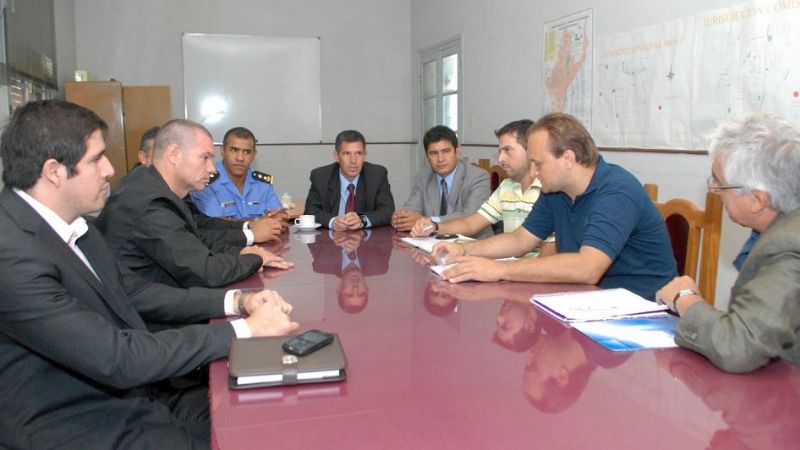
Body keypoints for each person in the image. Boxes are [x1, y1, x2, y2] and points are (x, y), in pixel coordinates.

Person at [0, 100, 299, 449]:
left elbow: (137, 293)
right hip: (78, 420)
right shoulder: (12, 254)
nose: (110, 169)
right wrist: (246, 330)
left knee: (266, 414)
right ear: (54, 171)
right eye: (97, 159)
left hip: (134, 392)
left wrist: (238, 300)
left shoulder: (78, 227)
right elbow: (116, 358)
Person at [434, 113, 676, 300]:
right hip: (590, 302)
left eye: (538, 164)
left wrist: (499, 269)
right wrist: (464, 251)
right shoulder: (556, 191)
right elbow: (519, 240)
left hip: (642, 310)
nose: (533, 172)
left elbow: (587, 267)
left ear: (568, 159)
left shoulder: (616, 191)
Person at [656, 113, 800, 373]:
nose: (713, 189)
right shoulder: (782, 221)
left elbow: (739, 346)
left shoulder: (789, 245)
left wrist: (685, 299)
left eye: (719, 183)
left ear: (757, 200)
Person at [96, 119, 293, 288]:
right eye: (204, 158)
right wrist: (255, 258)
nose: (210, 168)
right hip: (146, 315)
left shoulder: (156, 186)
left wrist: (242, 249)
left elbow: (195, 236)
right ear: (174, 155)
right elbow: (205, 272)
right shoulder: (150, 201)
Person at [409, 120, 555, 254]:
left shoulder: (550, 191)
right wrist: (434, 227)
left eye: (508, 150)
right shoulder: (507, 187)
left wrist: (495, 269)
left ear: (530, 151)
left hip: (528, 274)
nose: (500, 159)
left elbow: (547, 261)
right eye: (500, 151)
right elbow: (471, 223)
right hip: (510, 267)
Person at [392, 125, 490, 233]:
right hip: (432, 243)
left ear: (457, 152)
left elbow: (470, 217)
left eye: (446, 151)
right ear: (427, 157)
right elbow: (412, 208)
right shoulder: (423, 177)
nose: (440, 159)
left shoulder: (479, 177)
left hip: (472, 243)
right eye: (434, 153)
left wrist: (429, 221)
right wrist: (401, 218)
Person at [304, 129, 395, 230]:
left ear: (365, 155)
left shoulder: (377, 175)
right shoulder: (321, 177)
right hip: (331, 241)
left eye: (359, 154)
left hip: (366, 242)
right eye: (347, 154)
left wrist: (362, 220)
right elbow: (310, 211)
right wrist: (332, 221)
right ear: (336, 156)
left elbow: (387, 211)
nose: (353, 161)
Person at [191, 126, 283, 220]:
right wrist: (261, 222)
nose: (240, 158)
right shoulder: (206, 183)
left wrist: (278, 218)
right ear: (223, 150)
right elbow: (216, 226)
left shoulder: (262, 184)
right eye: (234, 150)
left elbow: (279, 216)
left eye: (247, 152)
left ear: (254, 154)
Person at [307, 229, 391, 313]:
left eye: (349, 294)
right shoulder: (379, 264)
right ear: (367, 288)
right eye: (361, 293)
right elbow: (387, 230)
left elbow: (312, 228)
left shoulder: (322, 264)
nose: (355, 288)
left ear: (339, 289)